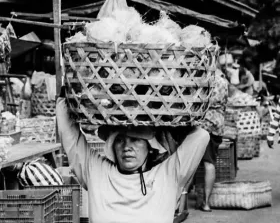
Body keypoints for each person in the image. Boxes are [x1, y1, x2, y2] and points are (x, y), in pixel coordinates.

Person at [56, 95, 209, 223]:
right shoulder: (96, 171)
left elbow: (201, 136)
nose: (127, 147)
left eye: (135, 140)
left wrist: (172, 123)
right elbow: (69, 132)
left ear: (150, 147)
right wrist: (65, 97)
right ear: (113, 146)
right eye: (120, 140)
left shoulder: (167, 175)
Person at [197, 68, 229, 212]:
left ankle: (186, 201)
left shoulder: (202, 80)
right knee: (210, 162)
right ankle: (205, 202)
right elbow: (226, 103)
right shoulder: (223, 82)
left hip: (203, 123)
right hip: (217, 124)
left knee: (192, 162)